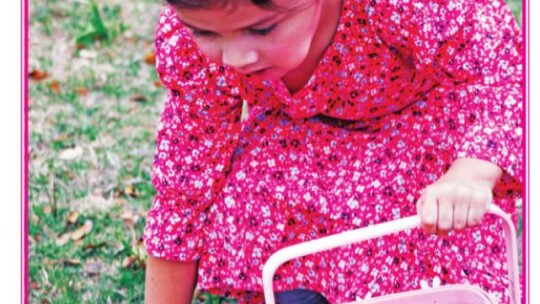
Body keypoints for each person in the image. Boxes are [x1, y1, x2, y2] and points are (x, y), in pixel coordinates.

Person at [143, 0, 523, 303]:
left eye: (261, 28)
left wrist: (470, 174)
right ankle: (302, 290)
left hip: (420, 132)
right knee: (250, 194)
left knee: (427, 226)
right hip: (305, 142)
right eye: (204, 32)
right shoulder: (192, 44)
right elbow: (185, 187)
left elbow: (502, 73)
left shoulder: (408, 5)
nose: (237, 57)